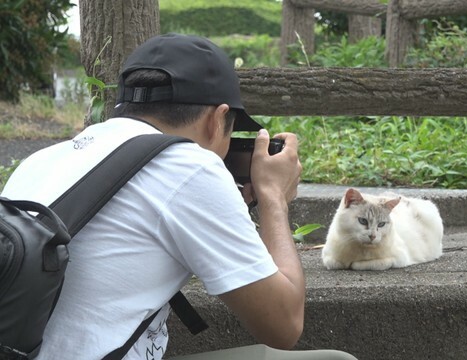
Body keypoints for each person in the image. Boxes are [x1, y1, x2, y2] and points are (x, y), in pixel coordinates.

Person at [1, 33, 356, 360]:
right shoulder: (190, 166)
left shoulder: (43, 159)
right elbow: (283, 324)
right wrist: (273, 198)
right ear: (218, 120)